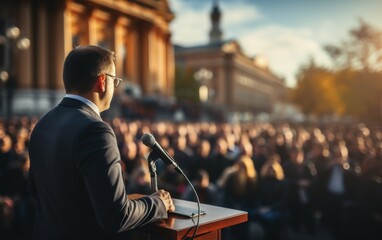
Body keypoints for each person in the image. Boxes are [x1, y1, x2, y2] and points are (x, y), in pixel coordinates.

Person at [28, 45, 175, 240]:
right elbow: (116, 216)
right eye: (116, 81)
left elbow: (34, 190)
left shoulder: (44, 124)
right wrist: (158, 204)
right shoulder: (96, 131)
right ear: (103, 81)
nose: (116, 87)